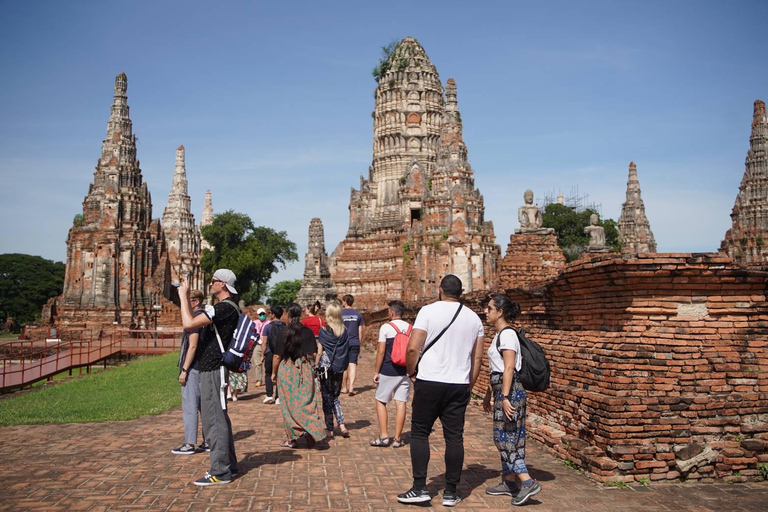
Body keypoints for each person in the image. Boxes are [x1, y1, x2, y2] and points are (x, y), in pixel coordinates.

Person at [397, 275, 485, 507]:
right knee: (454, 437)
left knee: (419, 433)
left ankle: (419, 488)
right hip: (458, 384)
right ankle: (451, 492)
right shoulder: (474, 318)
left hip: (429, 380)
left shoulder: (427, 312)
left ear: (440, 290)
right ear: (461, 292)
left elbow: (413, 348)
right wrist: (469, 385)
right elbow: (477, 358)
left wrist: (411, 372)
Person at [179, 269, 240, 486]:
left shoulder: (224, 308)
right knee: (218, 418)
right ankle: (229, 466)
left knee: (213, 420)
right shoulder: (224, 308)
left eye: (213, 281)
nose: (210, 284)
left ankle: (220, 471)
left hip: (214, 368)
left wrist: (183, 297)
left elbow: (188, 324)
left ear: (222, 284)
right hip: (211, 368)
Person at [483, 294, 542, 506]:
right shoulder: (500, 334)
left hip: (511, 391)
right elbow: (496, 369)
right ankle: (509, 483)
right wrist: (489, 395)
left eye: (489, 308)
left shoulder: (507, 335)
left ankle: (527, 481)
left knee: (503, 438)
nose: (485, 312)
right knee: (510, 437)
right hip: (502, 389)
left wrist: (506, 397)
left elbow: (508, 367)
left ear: (500, 312)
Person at [274, 302, 325, 448]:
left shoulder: (283, 332)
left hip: (287, 369)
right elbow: (313, 353)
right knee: (307, 402)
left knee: (288, 404)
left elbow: (277, 356)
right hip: (304, 367)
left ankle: (293, 438)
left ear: (287, 314)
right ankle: (310, 431)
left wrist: (273, 373)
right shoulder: (307, 332)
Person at [172, 290, 210, 455]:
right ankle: (208, 440)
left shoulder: (195, 319)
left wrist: (185, 370)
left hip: (193, 367)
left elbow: (192, 346)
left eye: (188, 301)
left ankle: (189, 443)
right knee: (204, 406)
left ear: (194, 302)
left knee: (190, 406)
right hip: (203, 366)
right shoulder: (204, 316)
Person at [371, 300, 411, 448]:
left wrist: (377, 371)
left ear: (392, 313)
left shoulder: (386, 327)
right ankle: (398, 438)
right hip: (404, 371)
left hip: (388, 369)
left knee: (381, 400)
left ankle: (384, 436)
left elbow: (381, 351)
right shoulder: (410, 328)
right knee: (401, 402)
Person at [317, 300, 350, 439]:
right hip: (338, 366)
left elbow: (319, 351)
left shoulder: (324, 330)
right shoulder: (344, 330)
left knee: (326, 397)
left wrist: (315, 365)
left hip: (325, 366)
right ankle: (342, 425)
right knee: (335, 397)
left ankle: (330, 428)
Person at [341, 294, 364, 395]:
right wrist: (359, 343)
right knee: (353, 364)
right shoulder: (358, 314)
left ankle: (344, 387)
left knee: (344, 365)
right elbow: (360, 331)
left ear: (345, 302)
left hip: (343, 342)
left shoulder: (340, 314)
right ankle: (351, 387)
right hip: (354, 342)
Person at [262, 306, 283, 404]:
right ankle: (278, 397)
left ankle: (269, 395)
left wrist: (262, 354)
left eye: (270, 313)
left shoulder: (268, 326)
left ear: (273, 314)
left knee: (268, 373)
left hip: (270, 352)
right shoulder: (285, 326)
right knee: (280, 374)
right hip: (281, 352)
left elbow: (264, 342)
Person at [252, 307, 270, 386]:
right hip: (257, 344)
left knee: (267, 363)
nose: (262, 315)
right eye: (260, 314)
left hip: (266, 344)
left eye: (263, 314)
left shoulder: (269, 323)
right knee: (257, 363)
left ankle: (268, 378)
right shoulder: (254, 323)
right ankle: (258, 379)